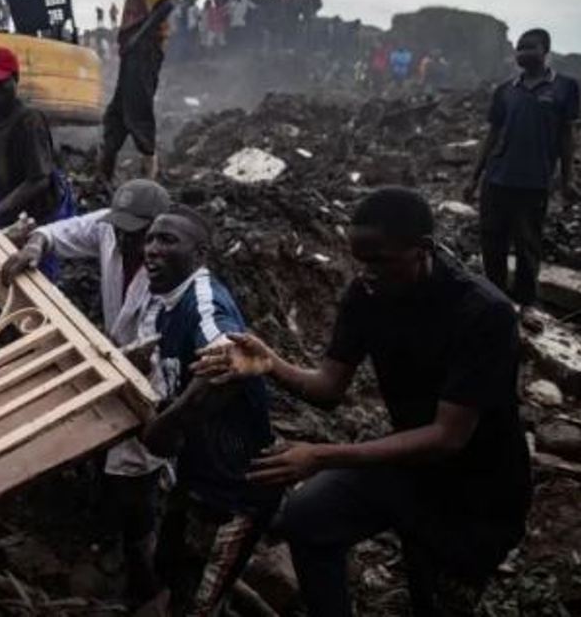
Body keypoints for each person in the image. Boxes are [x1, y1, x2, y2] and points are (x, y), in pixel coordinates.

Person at [194, 187, 532, 617]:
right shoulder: (367, 294)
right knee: (307, 518)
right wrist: (271, 363)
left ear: (422, 250)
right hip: (410, 467)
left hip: (477, 494)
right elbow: (329, 389)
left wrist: (324, 455)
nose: (366, 272)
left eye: (379, 260)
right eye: (359, 260)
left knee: (435, 599)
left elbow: (449, 437)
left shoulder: (484, 313)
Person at [2, 179, 171, 606]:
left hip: (154, 377)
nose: (126, 237)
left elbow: (153, 348)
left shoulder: (172, 268)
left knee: (138, 473)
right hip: (114, 362)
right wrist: (36, 245)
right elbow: (61, 231)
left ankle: (141, 570)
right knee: (107, 457)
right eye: (123, 227)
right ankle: (104, 531)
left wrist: (100, 361)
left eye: (138, 231)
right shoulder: (111, 229)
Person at [139, 206, 277, 616]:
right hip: (199, 474)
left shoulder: (203, 300)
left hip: (236, 487)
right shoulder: (168, 302)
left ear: (199, 255)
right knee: (170, 566)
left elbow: (227, 360)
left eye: (167, 240)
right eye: (149, 239)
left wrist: (165, 425)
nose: (152, 250)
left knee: (200, 600)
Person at [465, 28, 579, 315]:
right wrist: (474, 178)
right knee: (492, 244)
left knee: (528, 246)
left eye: (529, 47)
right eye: (519, 48)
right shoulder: (505, 90)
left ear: (545, 50)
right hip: (497, 180)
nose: (522, 53)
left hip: (534, 182)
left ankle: (526, 304)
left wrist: (568, 179)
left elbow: (566, 136)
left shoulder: (565, 87)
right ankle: (495, 302)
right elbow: (492, 135)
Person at [0, 47, 76, 279]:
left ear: (15, 80)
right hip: (12, 211)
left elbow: (39, 179)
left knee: (38, 274)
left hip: (38, 214)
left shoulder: (29, 120)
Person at [99, 0, 174, 184]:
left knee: (138, 115)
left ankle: (151, 180)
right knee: (115, 117)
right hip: (134, 54)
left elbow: (165, 4)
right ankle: (103, 179)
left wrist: (137, 38)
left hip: (143, 52)